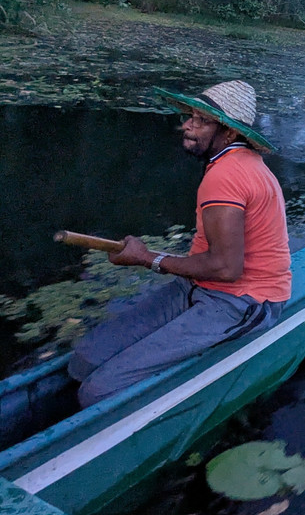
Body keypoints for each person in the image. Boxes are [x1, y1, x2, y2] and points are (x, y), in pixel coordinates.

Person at [69, 80, 292, 408]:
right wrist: (151, 257)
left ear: (228, 133)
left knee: (98, 391)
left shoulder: (226, 176)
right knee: (84, 359)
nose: (187, 124)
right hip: (201, 285)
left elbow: (226, 268)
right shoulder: (235, 164)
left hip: (244, 302)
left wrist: (148, 259)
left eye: (201, 120)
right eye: (190, 115)